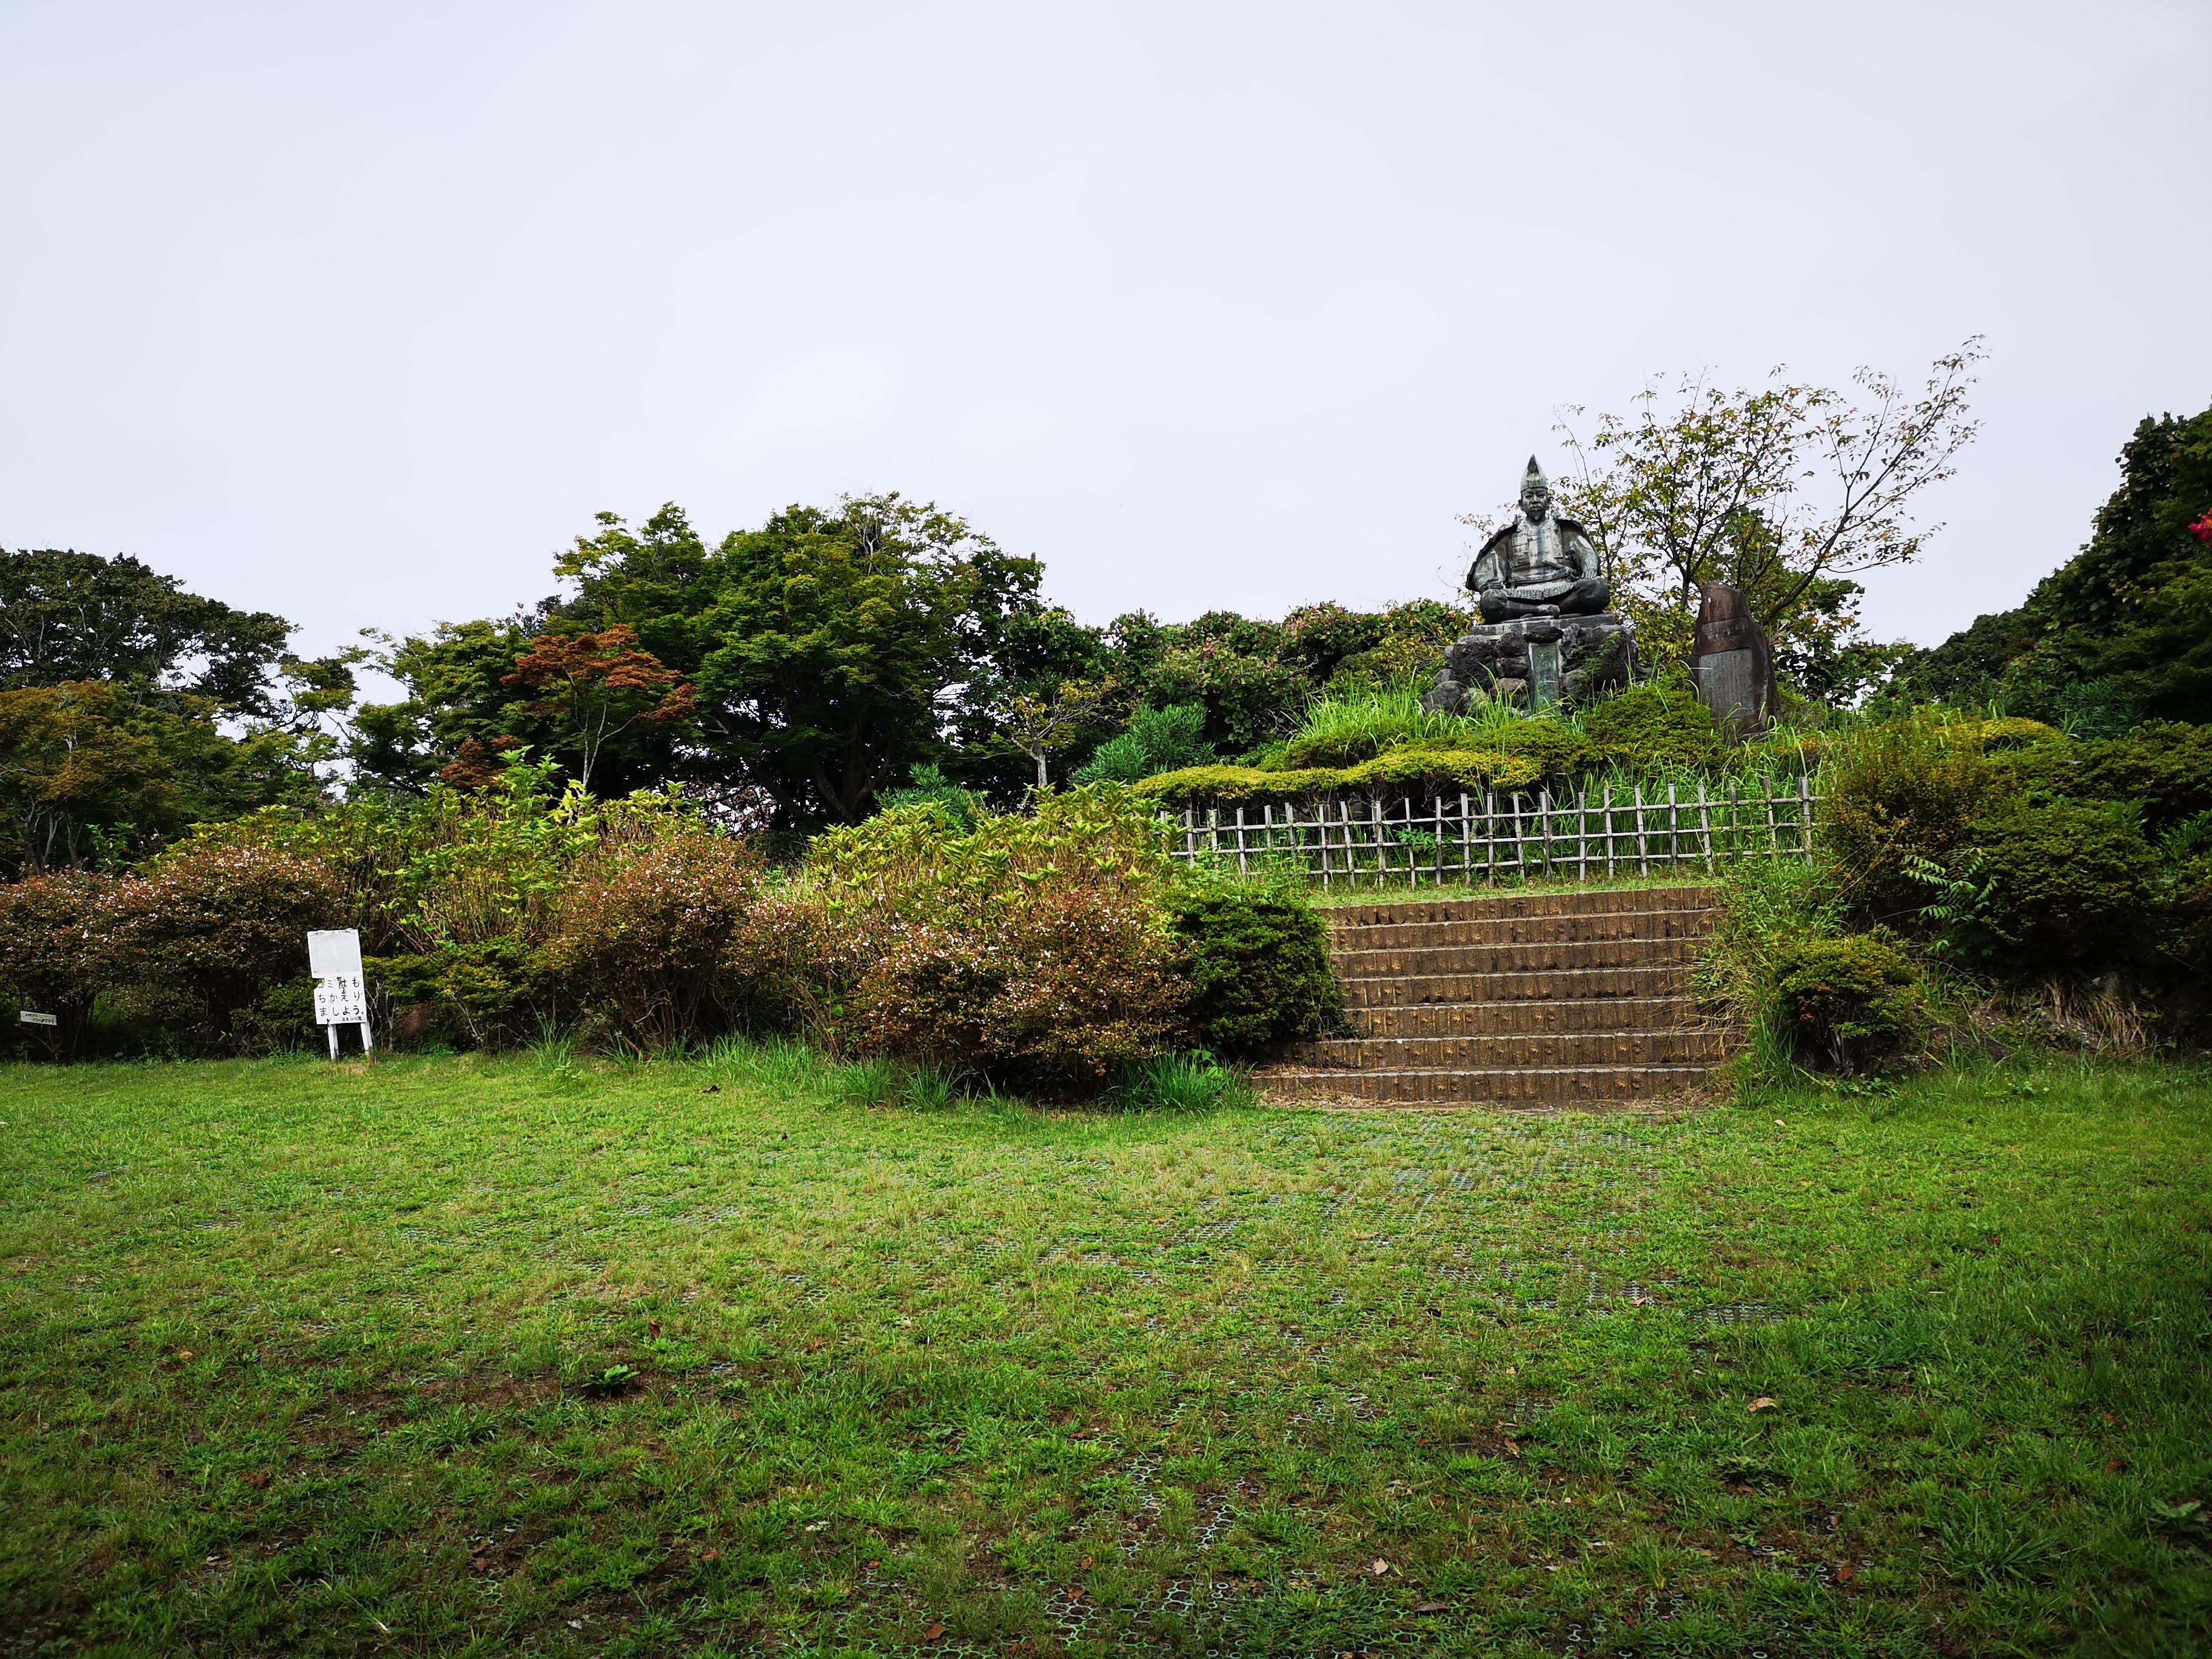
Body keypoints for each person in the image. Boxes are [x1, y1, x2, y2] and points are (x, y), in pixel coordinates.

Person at [1467, 458, 1610, 622]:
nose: (1535, 500)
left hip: (1564, 589)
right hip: (1521, 594)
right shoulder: (1509, 536)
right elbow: (1485, 571)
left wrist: (1589, 569)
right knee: (1490, 601)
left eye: (1540, 495)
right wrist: (1489, 584)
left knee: (1598, 589)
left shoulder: (1565, 529)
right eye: (1529, 496)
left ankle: (1548, 610)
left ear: (1548, 501)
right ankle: (1540, 610)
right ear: (1521, 504)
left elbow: (1588, 554)